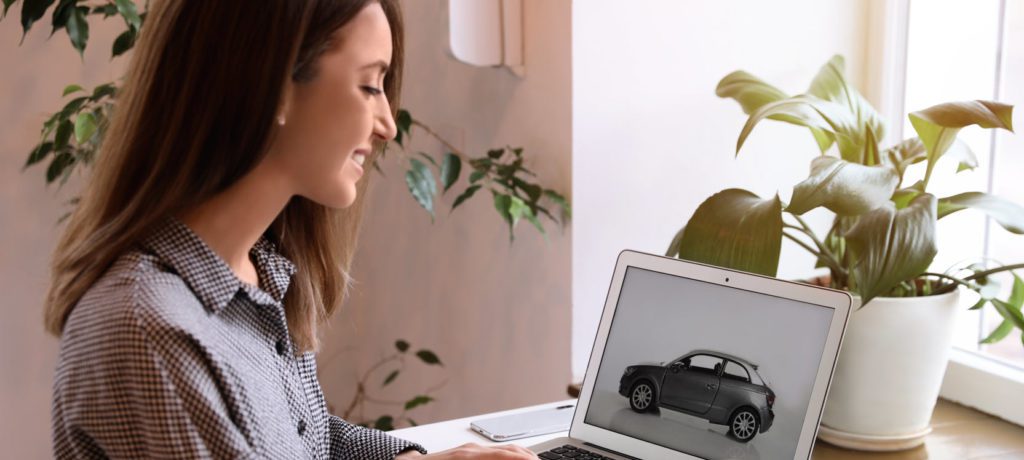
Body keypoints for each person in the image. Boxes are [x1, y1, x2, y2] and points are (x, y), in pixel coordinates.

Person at [44, 1, 538, 458]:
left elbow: (307, 437)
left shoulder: (254, 272)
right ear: (273, 85)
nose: (387, 124)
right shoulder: (152, 330)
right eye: (369, 86)